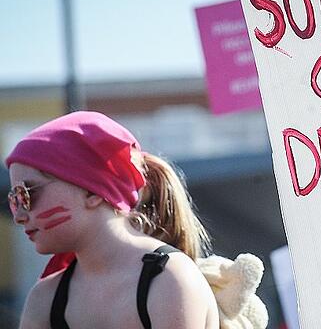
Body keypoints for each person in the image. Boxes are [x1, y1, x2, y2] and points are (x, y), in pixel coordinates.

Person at [6, 111, 220, 328]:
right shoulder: (46, 299)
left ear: (92, 192)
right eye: (14, 200)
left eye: (27, 194)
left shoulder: (168, 279)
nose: (19, 216)